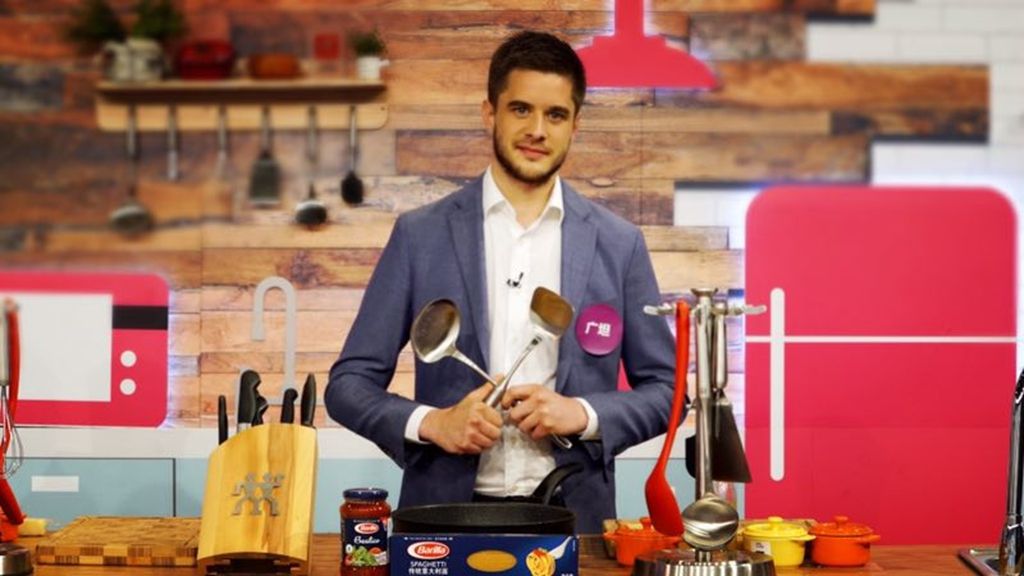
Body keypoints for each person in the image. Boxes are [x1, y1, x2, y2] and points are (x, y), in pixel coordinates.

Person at [325, 30, 680, 533]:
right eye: (520, 109)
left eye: (555, 115)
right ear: (489, 113)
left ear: (575, 125)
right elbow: (348, 385)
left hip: (575, 517)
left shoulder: (619, 243)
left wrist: (582, 414)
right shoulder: (420, 235)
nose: (537, 130)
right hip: (443, 519)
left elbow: (668, 392)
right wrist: (433, 423)